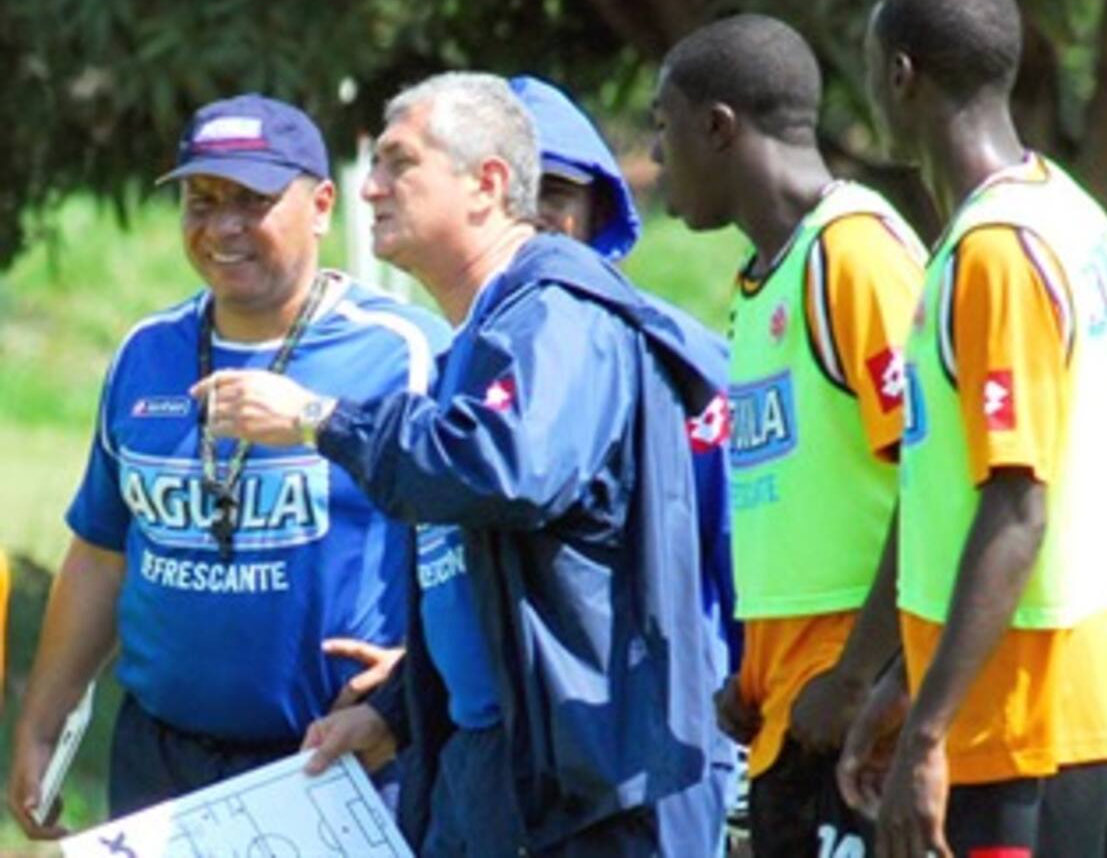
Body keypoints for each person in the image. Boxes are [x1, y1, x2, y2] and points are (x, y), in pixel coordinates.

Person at [195, 72, 724, 856]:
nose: (370, 188)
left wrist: (319, 419)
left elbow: (507, 467)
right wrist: (396, 711)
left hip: (590, 794)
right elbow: (482, 582)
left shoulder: (560, 312)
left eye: (400, 163)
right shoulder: (476, 343)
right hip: (488, 773)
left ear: (487, 184)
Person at [6, 93, 450, 837]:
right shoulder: (147, 352)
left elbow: (478, 548)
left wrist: (415, 679)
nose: (222, 227)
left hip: (334, 757)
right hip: (159, 763)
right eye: (202, 201)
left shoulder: (404, 352)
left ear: (321, 205)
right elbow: (102, 552)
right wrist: (42, 725)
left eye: (252, 200)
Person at [837, 0, 1107, 856]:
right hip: (1088, 696)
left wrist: (929, 735)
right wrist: (907, 677)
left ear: (900, 74)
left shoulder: (998, 251)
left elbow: (1018, 505)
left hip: (1023, 723)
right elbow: (953, 488)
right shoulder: (1070, 212)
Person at [651, 14, 928, 857]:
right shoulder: (761, 282)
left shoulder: (855, 256)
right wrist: (753, 676)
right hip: (789, 713)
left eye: (663, 127)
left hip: (858, 721)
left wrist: (861, 678)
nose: (655, 155)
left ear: (717, 127)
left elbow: (937, 483)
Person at [511, 73, 740, 857]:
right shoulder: (453, 363)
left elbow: (735, 549)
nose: (531, 215)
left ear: (599, 209)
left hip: (657, 750)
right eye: (509, 190)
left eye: (554, 192)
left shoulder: (677, 358)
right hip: (508, 758)